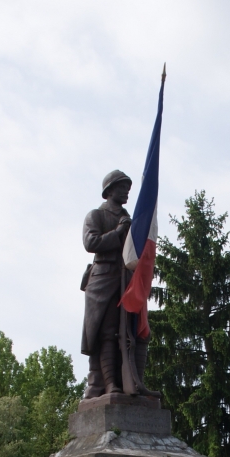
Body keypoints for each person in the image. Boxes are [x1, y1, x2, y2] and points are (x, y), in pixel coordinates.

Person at [80, 169, 157, 399]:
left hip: (127, 282)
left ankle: (133, 382)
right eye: (123, 187)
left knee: (136, 332)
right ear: (110, 190)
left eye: (128, 189)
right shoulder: (96, 215)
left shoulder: (130, 220)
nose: (126, 193)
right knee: (107, 332)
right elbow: (91, 242)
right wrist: (118, 232)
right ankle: (110, 384)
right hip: (103, 280)